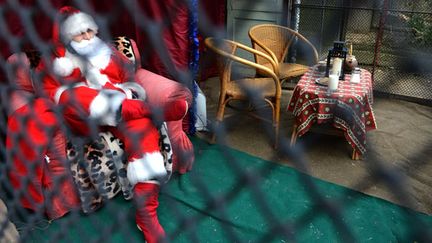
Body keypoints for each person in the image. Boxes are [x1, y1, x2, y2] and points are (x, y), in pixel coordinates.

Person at [11, 6, 186, 242]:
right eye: (79, 34)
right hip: (83, 118)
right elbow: (51, 96)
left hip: (123, 111)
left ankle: (147, 215)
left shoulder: (107, 52)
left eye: (89, 32)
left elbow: (129, 78)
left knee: (143, 127)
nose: (87, 38)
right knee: (72, 95)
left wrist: (127, 90)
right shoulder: (54, 62)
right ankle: (151, 110)